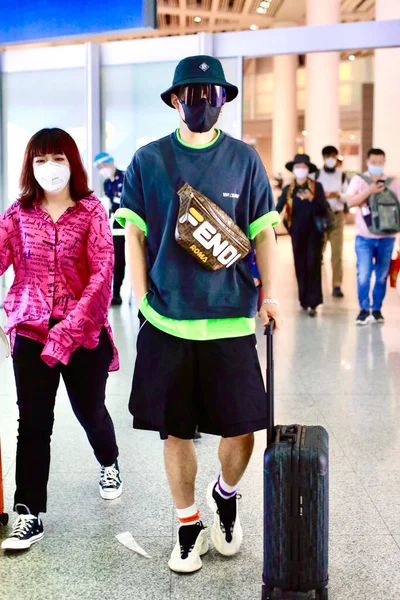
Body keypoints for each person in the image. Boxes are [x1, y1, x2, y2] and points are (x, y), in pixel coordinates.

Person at [115, 55, 282, 573]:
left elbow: (264, 232)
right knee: (176, 431)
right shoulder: (148, 160)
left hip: (231, 318)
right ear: (174, 99)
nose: (203, 101)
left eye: (212, 93)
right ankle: (188, 524)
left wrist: (271, 295)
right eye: (193, 92)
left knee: (244, 430)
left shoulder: (244, 159)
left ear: (224, 100)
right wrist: (142, 299)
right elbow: (135, 235)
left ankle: (225, 494)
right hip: (167, 319)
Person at [0, 128, 122, 552]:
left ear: (72, 163)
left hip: (83, 334)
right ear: (29, 166)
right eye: (40, 160)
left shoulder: (92, 213)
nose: (49, 168)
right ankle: (28, 513)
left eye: (57, 159)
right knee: (33, 421)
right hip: (31, 331)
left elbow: (102, 278)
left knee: (90, 411)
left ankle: (109, 461)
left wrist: (66, 333)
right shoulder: (17, 214)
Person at [346, 148, 400, 325]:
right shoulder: (359, 180)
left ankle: (376, 310)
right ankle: (363, 310)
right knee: (364, 274)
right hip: (364, 237)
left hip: (387, 236)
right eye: (374, 162)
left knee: (382, 275)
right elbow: (349, 202)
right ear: (368, 162)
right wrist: (368, 191)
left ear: (384, 162)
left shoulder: (393, 182)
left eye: (380, 162)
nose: (377, 165)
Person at [276, 154, 327, 317]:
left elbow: (323, 208)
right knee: (300, 265)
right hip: (296, 232)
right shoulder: (289, 189)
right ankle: (303, 300)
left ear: (308, 169)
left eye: (304, 167)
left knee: (313, 264)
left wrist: (312, 198)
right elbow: (278, 207)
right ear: (293, 169)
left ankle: (313, 302)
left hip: (314, 233)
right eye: (298, 167)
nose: (300, 170)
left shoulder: (316, 187)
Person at [94, 152, 126, 306]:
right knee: (117, 260)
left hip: (130, 221)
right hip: (116, 224)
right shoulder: (107, 183)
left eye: (104, 165)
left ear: (111, 162)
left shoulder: (126, 177)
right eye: (99, 167)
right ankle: (116, 293)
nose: (103, 169)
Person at [317, 146, 348, 298]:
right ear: (323, 157)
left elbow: (347, 195)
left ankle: (337, 285)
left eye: (334, 156)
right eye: (328, 156)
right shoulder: (316, 174)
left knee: (337, 253)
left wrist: (338, 194)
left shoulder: (342, 175)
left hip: (337, 216)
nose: (331, 159)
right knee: (318, 253)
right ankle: (316, 285)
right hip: (321, 217)